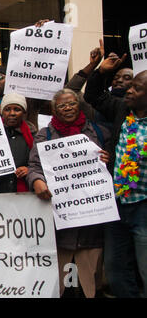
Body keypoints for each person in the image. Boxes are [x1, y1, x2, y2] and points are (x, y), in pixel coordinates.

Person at [27, 88, 111, 298]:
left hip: (92, 226)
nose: (68, 108)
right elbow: (34, 166)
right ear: (55, 109)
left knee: (90, 287)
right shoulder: (44, 135)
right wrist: (36, 180)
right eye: (62, 105)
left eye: (72, 103)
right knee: (62, 287)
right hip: (60, 226)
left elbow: (117, 171)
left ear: (79, 105)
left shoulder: (100, 133)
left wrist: (108, 162)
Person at [84, 50, 147, 298]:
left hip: (143, 207)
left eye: (137, 89)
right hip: (118, 204)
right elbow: (92, 96)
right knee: (116, 267)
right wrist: (101, 71)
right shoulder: (122, 110)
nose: (129, 91)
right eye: (129, 87)